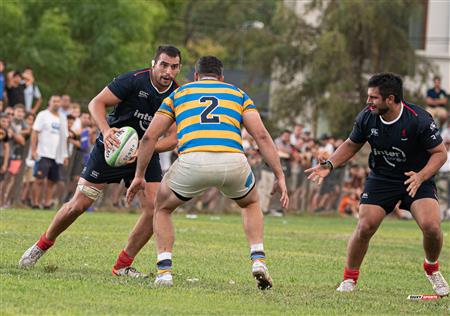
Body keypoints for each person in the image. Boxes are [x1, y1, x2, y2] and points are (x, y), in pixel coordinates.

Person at [18, 45, 182, 278]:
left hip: (144, 155)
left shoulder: (177, 95)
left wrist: (146, 147)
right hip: (112, 149)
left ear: (179, 69)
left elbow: (175, 137)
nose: (167, 71)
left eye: (173, 67)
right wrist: (106, 131)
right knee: (79, 204)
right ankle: (42, 245)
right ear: (153, 63)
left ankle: (122, 265)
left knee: (154, 209)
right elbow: (96, 103)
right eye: (163, 64)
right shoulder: (133, 80)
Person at [126, 56, 289, 289]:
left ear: (195, 76)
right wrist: (280, 176)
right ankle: (258, 259)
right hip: (233, 160)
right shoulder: (238, 94)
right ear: (221, 78)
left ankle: (164, 272)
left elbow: (150, 137)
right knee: (251, 203)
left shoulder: (178, 94)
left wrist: (139, 175)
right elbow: (261, 135)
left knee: (161, 208)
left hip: (193, 159)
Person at [305, 73, 449, 296]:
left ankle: (431, 268)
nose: (368, 102)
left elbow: (440, 154)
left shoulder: (419, 119)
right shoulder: (367, 117)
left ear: (390, 99)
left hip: (416, 177)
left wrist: (421, 177)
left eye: (373, 97)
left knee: (432, 227)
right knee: (365, 226)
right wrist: (330, 164)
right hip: (382, 178)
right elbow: (352, 144)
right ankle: (349, 279)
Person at [30, 95, 69, 209]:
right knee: (39, 180)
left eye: (58, 101)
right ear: (49, 102)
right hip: (43, 153)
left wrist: (65, 155)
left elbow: (64, 137)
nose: (56, 103)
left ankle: (47, 203)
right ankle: (35, 203)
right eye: (54, 101)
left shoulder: (63, 118)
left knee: (52, 181)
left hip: (57, 156)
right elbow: (35, 132)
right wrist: (33, 150)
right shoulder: (43, 115)